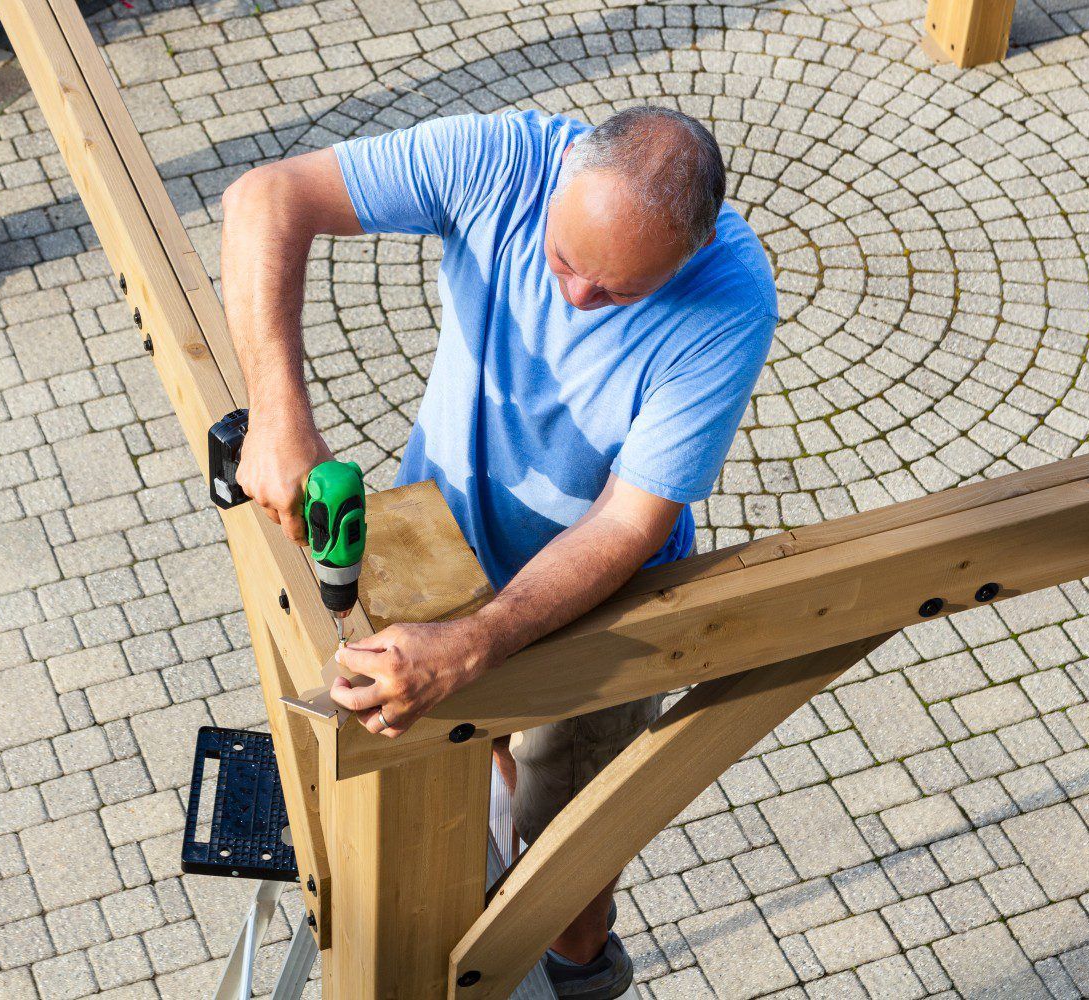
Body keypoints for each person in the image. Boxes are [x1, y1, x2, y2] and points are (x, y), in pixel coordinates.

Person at [220, 104, 777, 997]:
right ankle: (501, 795)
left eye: (622, 292)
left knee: (569, 847)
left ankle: (582, 969)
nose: (577, 300)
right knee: (484, 756)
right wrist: (280, 415)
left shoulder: (732, 301)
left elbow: (625, 525)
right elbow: (265, 197)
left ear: (694, 251)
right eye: (563, 261)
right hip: (439, 545)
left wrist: (476, 644)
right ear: (561, 184)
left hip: (603, 602)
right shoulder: (506, 160)